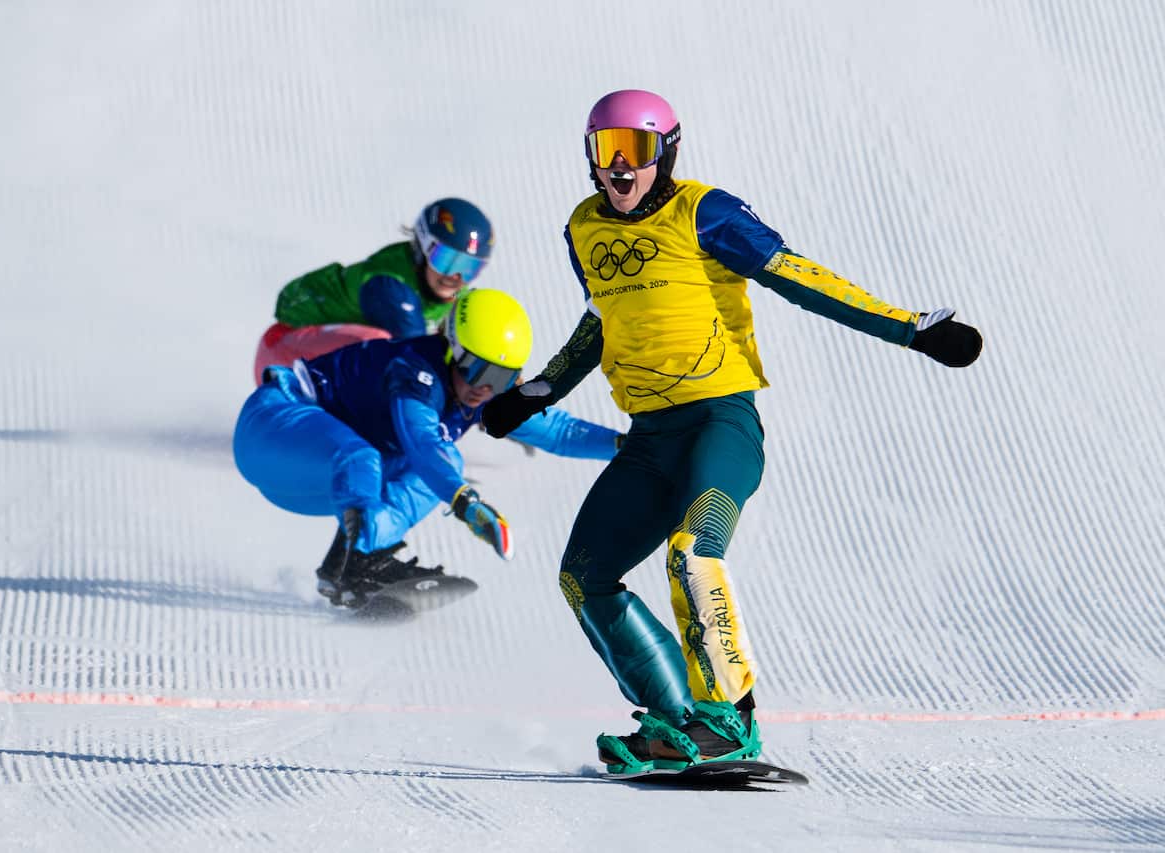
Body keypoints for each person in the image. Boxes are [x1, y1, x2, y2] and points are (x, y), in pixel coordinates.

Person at [481, 89, 983, 774]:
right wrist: (538, 392)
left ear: (667, 151)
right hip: (649, 440)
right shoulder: (584, 229)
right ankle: (671, 719)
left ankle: (730, 719)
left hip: (720, 423)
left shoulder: (704, 212)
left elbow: (799, 278)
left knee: (693, 550)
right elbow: (603, 320)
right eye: (606, 153)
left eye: (635, 152)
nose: (620, 171)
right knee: (583, 576)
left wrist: (909, 327)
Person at [234, 287, 622, 607]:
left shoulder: (485, 395)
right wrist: (466, 503)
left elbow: (560, 432)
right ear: (451, 347)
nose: (484, 387)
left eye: (502, 378)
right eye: (475, 368)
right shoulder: (414, 371)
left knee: (428, 458)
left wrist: (630, 444)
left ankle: (348, 568)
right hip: (269, 427)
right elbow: (421, 442)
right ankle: (363, 561)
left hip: (317, 478)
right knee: (378, 457)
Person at [254, 198, 495, 380]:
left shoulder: (456, 298)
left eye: (469, 268)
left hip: (321, 355)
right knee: (386, 348)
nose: (455, 276)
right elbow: (418, 354)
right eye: (445, 260)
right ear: (422, 247)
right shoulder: (390, 286)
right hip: (283, 353)